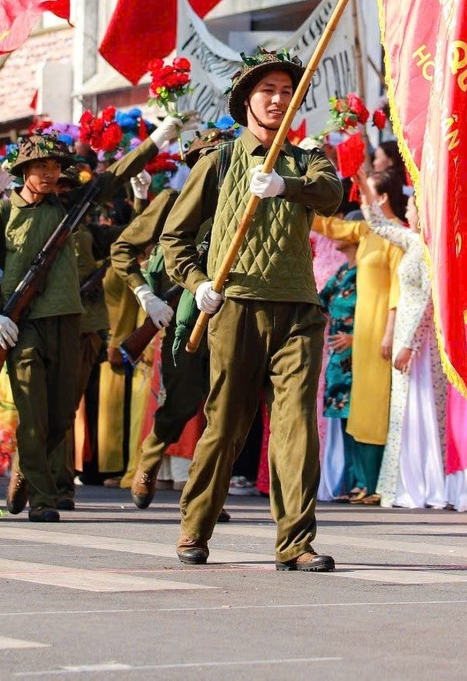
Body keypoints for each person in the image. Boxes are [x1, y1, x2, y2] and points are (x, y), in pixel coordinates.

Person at [162, 46, 342, 570]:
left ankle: (296, 543)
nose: (277, 100)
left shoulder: (308, 158)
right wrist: (197, 284)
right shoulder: (219, 160)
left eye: (287, 92)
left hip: (298, 310)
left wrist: (287, 185)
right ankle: (194, 529)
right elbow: (175, 237)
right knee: (226, 425)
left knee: (296, 429)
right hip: (235, 306)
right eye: (268, 91)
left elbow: (331, 194)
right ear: (246, 100)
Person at [0, 124, 168, 522]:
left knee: (61, 416)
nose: (48, 174)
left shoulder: (69, 208)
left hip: (69, 322)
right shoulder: (0, 213)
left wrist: (158, 140)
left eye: (53, 166)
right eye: (38, 166)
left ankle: (27, 471)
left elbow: (112, 177)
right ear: (22, 170)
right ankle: (44, 498)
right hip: (23, 324)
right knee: (33, 414)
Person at [115, 127, 229, 510]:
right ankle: (150, 457)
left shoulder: (242, 208)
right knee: (182, 403)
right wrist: (146, 296)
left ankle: (207, 495)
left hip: (228, 317)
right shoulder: (169, 201)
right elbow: (123, 249)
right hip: (178, 313)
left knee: (224, 405)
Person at [310, 176, 399, 504]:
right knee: (358, 409)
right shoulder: (365, 231)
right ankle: (361, 483)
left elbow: (398, 291)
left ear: (384, 196)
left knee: (374, 407)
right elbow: (329, 227)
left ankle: (375, 482)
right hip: (359, 330)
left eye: (366, 193)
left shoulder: (395, 234)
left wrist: (390, 331)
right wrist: (293, 195)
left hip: (378, 330)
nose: (359, 199)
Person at [373, 176, 446, 511]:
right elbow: (379, 224)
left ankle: (424, 484)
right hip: (406, 332)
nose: (407, 210)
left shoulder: (432, 250)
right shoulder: (413, 241)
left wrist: (410, 345)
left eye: (412, 206)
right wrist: (362, 182)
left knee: (418, 411)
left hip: (421, 340)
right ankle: (402, 484)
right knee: (403, 411)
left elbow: (430, 302)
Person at [317, 243, 361, 499]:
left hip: (358, 354)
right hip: (335, 356)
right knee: (340, 418)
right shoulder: (344, 271)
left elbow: (374, 310)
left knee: (356, 417)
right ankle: (343, 481)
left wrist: (356, 337)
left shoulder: (366, 272)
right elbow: (320, 300)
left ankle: (358, 481)